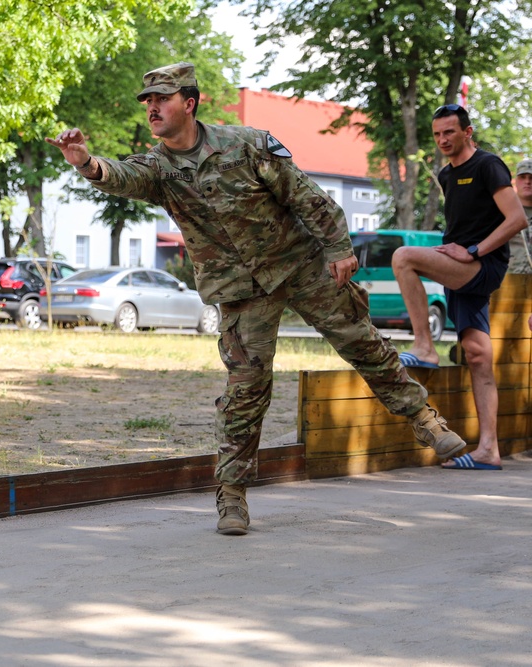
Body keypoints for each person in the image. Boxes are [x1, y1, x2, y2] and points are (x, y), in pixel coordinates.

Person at [46, 62, 467, 536]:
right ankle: (232, 496)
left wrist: (339, 247)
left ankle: (424, 418)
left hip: (301, 263)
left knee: (362, 343)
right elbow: (118, 175)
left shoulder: (245, 144)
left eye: (161, 99)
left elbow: (306, 196)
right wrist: (85, 161)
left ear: (189, 102)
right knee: (247, 390)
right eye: (147, 101)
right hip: (241, 289)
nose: (152, 109)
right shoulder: (159, 168)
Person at [392, 105, 527, 472]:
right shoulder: (445, 175)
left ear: (467, 132)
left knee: (403, 256)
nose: (442, 140)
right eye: (437, 135)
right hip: (459, 265)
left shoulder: (488, 165)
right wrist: (452, 249)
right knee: (478, 356)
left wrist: (472, 251)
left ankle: (424, 347)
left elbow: (516, 219)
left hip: (481, 264)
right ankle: (488, 450)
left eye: (449, 132)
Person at [508, 158, 532, 274]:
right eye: (523, 177)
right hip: (510, 280)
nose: (528, 181)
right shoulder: (502, 211)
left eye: (531, 177)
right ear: (516, 181)